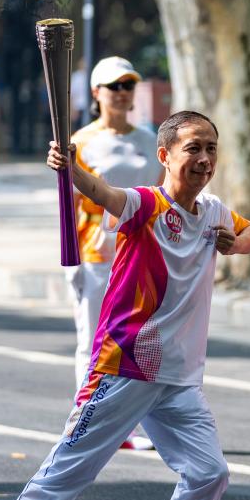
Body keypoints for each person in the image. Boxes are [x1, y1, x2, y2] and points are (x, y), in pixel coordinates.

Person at [0, 110, 250, 500]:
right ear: (164, 155)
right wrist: (72, 169)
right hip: (123, 368)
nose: (204, 159)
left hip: (179, 379)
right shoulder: (145, 205)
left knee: (209, 474)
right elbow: (102, 193)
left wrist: (237, 242)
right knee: (69, 471)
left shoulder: (213, 211)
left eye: (211, 148)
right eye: (193, 148)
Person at [67, 57, 165, 451]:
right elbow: (69, 204)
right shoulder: (81, 141)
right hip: (97, 249)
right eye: (114, 86)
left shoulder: (149, 139)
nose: (122, 93)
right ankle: (86, 420)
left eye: (128, 85)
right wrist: (71, 259)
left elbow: (160, 196)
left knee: (137, 339)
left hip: (140, 248)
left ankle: (127, 426)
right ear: (96, 93)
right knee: (94, 338)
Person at [70, 57, 89, 129]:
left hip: (89, 108)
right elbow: (72, 94)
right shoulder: (76, 76)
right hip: (78, 108)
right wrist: (72, 109)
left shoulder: (90, 75)